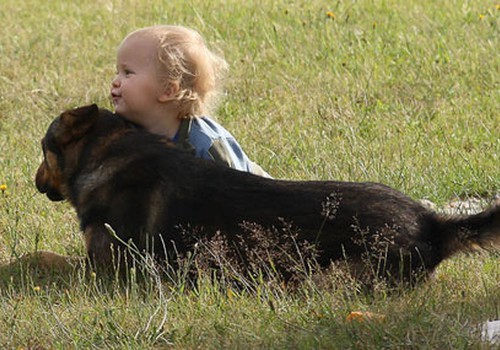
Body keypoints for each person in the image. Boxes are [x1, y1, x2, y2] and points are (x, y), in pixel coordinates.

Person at [110, 25, 270, 177]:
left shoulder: (206, 146)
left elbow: (240, 192)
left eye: (128, 73)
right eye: (117, 72)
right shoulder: (124, 132)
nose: (115, 81)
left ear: (168, 90)